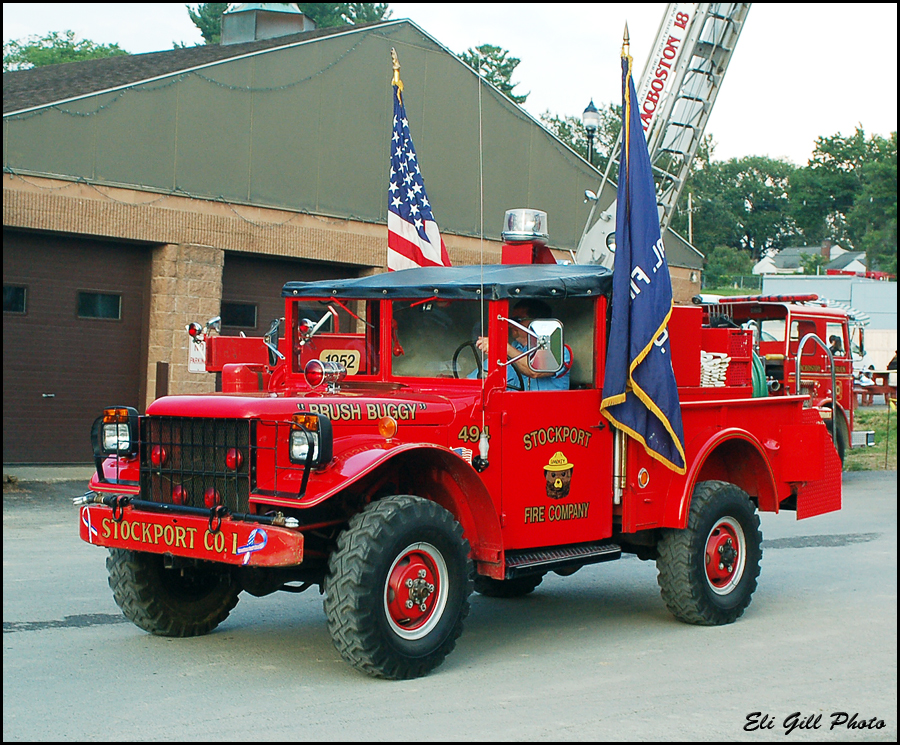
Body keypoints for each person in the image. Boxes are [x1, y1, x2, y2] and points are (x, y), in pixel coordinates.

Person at [474, 298, 570, 391]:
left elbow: (534, 371)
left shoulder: (560, 351)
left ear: (537, 323)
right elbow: (475, 378)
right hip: (511, 405)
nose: (510, 325)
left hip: (545, 406)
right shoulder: (514, 348)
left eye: (517, 320)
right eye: (511, 320)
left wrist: (502, 346)